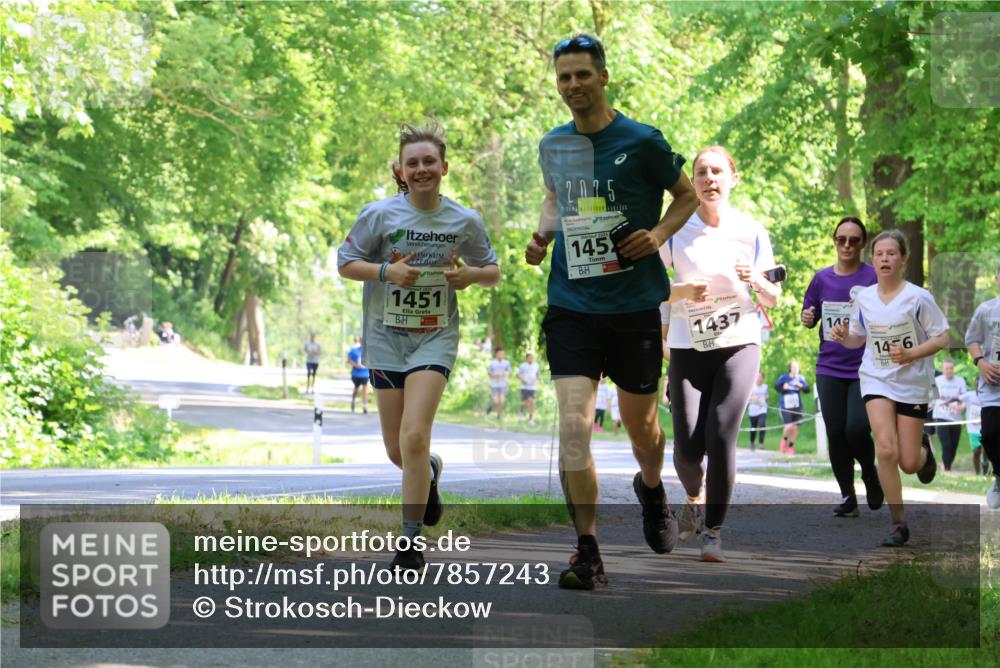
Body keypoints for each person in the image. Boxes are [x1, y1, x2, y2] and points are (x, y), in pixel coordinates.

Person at [524, 34, 698, 589]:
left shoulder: (641, 140)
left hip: (633, 305)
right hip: (572, 303)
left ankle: (651, 487)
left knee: (642, 429)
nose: (572, 85)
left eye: (581, 75)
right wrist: (543, 237)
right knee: (573, 428)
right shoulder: (553, 145)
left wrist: (659, 234)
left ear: (603, 78)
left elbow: (687, 196)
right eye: (563, 78)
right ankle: (587, 550)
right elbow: (556, 197)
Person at [337, 122, 500, 569]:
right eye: (413, 163)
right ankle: (429, 472)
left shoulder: (464, 220)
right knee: (399, 450)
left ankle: (409, 544)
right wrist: (386, 273)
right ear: (401, 171)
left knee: (414, 435)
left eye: (429, 161)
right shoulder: (379, 215)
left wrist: (467, 275)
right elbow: (346, 263)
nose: (422, 168)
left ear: (444, 167)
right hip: (385, 339)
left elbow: (492, 271)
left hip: (434, 337)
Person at [660, 145, 781, 562]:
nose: (709, 178)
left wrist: (758, 281)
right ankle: (695, 497)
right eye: (700, 173)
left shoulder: (750, 230)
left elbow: (775, 295)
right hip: (686, 343)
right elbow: (653, 289)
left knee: (720, 434)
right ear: (691, 183)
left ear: (733, 178)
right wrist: (682, 294)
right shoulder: (676, 229)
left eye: (717, 171)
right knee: (688, 446)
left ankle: (713, 531)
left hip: (739, 340)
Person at [831, 229, 950, 546]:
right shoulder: (864, 298)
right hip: (876, 378)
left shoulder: (918, 297)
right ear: (873, 260)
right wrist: (846, 338)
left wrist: (912, 353)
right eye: (879, 254)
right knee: (885, 448)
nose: (884, 258)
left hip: (912, 383)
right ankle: (898, 523)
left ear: (903, 260)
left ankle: (924, 453)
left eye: (891, 254)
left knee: (908, 462)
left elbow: (942, 337)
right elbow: (858, 337)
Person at [801, 216, 882, 517]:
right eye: (841, 239)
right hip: (830, 367)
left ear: (863, 244)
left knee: (857, 428)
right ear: (834, 241)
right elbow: (808, 314)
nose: (847, 245)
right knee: (835, 430)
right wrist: (807, 318)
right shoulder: (821, 278)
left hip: (865, 367)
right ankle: (848, 496)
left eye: (854, 240)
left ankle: (870, 475)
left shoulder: (873, 277)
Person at [965, 262, 1000, 507]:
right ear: (997, 278)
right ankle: (999, 476)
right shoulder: (986, 310)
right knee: (990, 434)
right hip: (994, 385)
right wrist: (980, 363)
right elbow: (971, 339)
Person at [932, 359, 968, 471]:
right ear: (943, 369)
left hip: (956, 417)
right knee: (946, 444)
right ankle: (947, 469)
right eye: (946, 368)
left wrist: (962, 407)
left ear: (954, 369)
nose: (949, 371)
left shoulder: (960, 381)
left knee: (953, 445)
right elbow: (931, 397)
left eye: (951, 368)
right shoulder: (936, 381)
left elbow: (965, 399)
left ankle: (946, 465)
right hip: (940, 416)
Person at [774, 361, 810, 455]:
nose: (795, 369)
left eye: (797, 367)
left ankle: (790, 447)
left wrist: (801, 386)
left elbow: (807, 390)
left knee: (794, 428)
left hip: (797, 406)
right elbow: (776, 387)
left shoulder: (800, 378)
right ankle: (784, 441)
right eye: (794, 367)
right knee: (788, 426)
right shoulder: (784, 377)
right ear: (790, 368)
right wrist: (783, 388)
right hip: (786, 406)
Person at [963, 388, 986, 476]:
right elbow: (958, 398)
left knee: (986, 451)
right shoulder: (969, 395)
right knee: (976, 451)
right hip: (973, 429)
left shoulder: (988, 395)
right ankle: (977, 473)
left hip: (985, 428)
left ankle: (985, 473)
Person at [487, 347, 512, 423]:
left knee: (501, 401)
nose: (501, 355)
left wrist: (505, 373)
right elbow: (489, 374)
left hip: (503, 385)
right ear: (496, 354)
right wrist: (494, 374)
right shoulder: (492, 363)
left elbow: (510, 372)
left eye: (502, 354)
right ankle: (491, 406)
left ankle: (499, 415)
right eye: (500, 354)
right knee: (496, 401)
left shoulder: (506, 363)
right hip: (495, 385)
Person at [747, 371, 768, 452]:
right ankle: (752, 442)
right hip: (752, 410)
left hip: (762, 409)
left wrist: (765, 398)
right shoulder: (751, 387)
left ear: (763, 378)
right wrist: (752, 398)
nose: (759, 378)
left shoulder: (765, 386)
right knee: (753, 427)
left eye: (760, 377)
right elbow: (746, 398)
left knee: (762, 425)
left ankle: (761, 443)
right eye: (757, 377)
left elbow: (766, 395)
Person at [346, 337, 369, 411]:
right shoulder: (354, 350)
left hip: (365, 373)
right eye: (362, 341)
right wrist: (356, 365)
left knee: (364, 390)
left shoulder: (368, 351)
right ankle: (353, 401)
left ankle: (365, 407)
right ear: (360, 342)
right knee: (356, 389)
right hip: (356, 374)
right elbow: (348, 360)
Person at [517, 352, 541, 426]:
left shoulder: (536, 365)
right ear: (526, 358)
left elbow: (538, 374)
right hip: (524, 387)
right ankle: (521, 411)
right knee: (525, 402)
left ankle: (531, 419)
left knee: (532, 402)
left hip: (532, 387)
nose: (531, 359)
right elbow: (518, 374)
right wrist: (523, 380)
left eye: (532, 358)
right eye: (529, 357)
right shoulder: (523, 366)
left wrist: (538, 378)